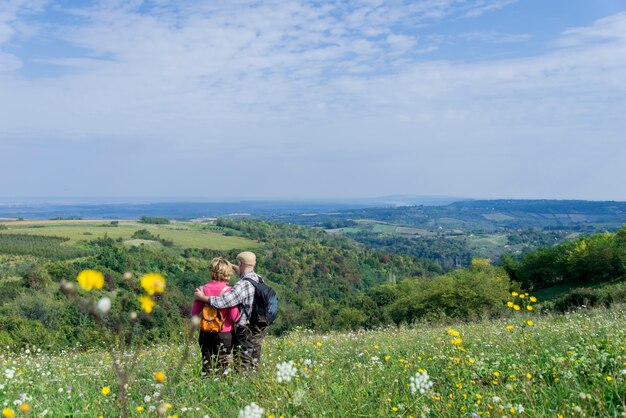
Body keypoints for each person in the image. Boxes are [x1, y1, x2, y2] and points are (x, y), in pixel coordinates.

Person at [194, 251, 265, 371]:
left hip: (210, 331)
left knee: (210, 363)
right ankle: (247, 384)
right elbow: (233, 317)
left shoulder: (201, 290)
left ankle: (211, 384)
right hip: (238, 331)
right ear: (254, 264)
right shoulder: (258, 280)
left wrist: (203, 299)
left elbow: (198, 312)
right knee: (234, 362)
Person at [191, 257, 239, 376]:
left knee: (207, 365)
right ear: (228, 273)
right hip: (224, 334)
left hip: (205, 332)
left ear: (211, 271)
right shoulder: (229, 291)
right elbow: (234, 317)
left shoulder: (200, 290)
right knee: (223, 367)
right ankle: (220, 391)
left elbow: (194, 314)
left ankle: (206, 389)